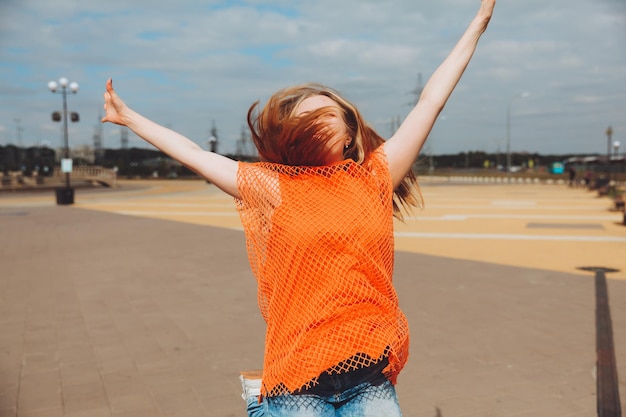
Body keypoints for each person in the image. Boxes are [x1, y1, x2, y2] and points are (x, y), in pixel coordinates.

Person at [101, 1, 496, 415]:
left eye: (325, 114)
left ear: (349, 132)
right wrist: (128, 117)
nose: (314, 122)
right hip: (297, 381)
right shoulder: (272, 186)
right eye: (303, 118)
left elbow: (429, 102)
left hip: (368, 377)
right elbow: (194, 153)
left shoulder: (375, 178)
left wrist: (479, 23)